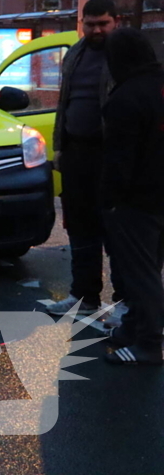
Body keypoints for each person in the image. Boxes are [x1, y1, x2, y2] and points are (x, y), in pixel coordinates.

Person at [45, 0, 125, 318]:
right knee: (79, 227)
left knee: (117, 231)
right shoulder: (75, 54)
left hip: (109, 154)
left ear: (115, 21)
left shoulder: (123, 56)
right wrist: (60, 147)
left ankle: (124, 303)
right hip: (77, 153)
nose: (95, 30)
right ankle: (83, 296)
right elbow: (64, 102)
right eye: (89, 23)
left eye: (102, 23)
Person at [99, 29, 164, 365]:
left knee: (140, 272)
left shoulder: (126, 98)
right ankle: (134, 327)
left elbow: (119, 159)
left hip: (137, 199)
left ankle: (150, 342)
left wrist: (110, 199)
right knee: (151, 266)